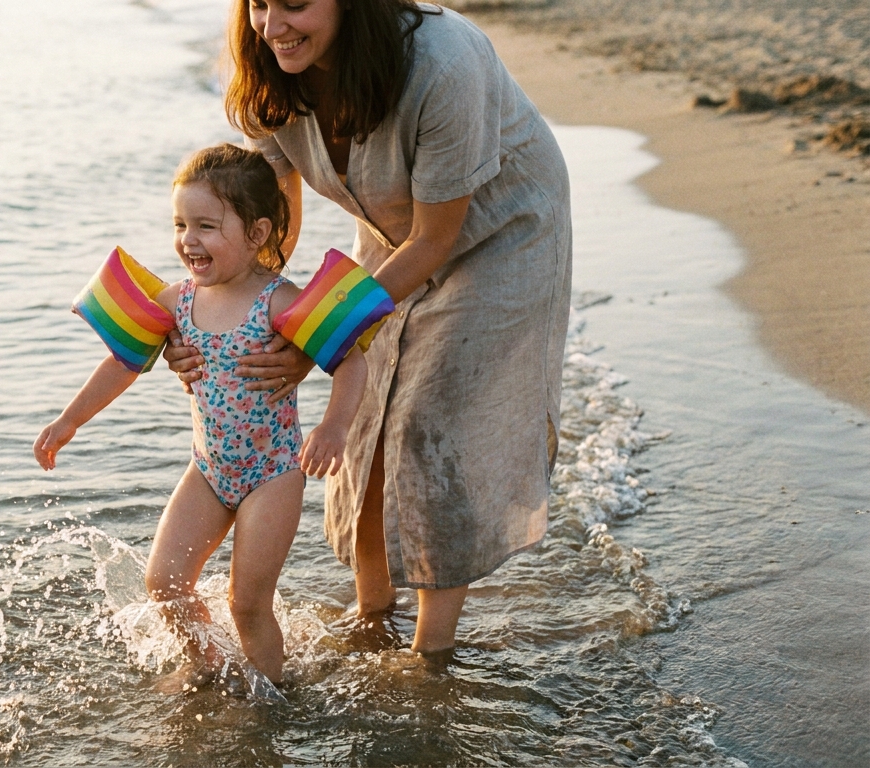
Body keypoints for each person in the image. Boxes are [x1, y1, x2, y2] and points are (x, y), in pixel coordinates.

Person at [164, 0, 572, 657]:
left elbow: (437, 238)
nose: (272, 26)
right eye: (259, 4)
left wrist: (314, 340)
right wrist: (234, 316)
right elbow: (272, 229)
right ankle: (371, 612)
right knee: (370, 422)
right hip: (391, 232)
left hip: (502, 231)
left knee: (431, 425)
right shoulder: (270, 71)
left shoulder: (442, 65)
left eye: (295, 3)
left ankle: (430, 655)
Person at [34, 144, 369, 684]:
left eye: (207, 226)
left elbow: (351, 362)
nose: (189, 240)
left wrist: (334, 427)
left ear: (257, 234)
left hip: (272, 474)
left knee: (248, 603)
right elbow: (123, 362)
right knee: (164, 582)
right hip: (208, 471)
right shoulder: (177, 302)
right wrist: (70, 420)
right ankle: (207, 666)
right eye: (181, 224)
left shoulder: (280, 303)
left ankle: (273, 695)